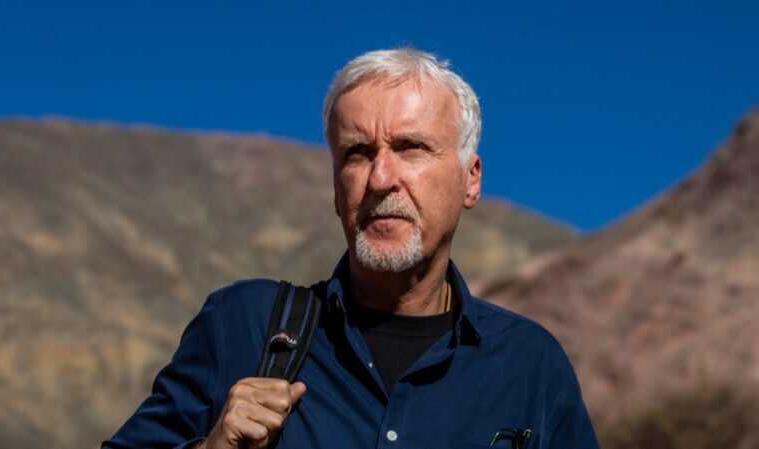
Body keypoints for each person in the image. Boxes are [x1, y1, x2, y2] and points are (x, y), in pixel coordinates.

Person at [102, 48, 600, 449]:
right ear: (336, 187)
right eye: (358, 154)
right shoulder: (243, 327)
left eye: (410, 148)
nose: (380, 179)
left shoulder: (530, 366)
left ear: (470, 180)